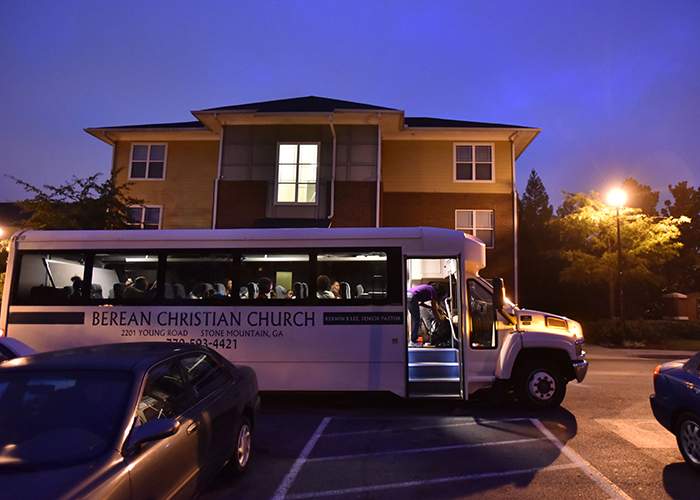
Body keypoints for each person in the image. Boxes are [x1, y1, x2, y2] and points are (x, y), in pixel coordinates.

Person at [406, 282, 441, 347]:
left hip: (407, 295)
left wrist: (430, 307)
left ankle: (412, 340)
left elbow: (421, 304)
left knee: (415, 319)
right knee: (416, 320)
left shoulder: (426, 288)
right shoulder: (432, 290)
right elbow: (434, 309)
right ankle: (413, 341)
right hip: (412, 296)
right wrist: (439, 320)